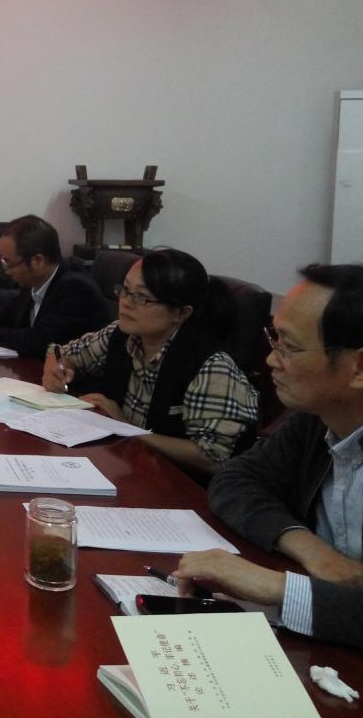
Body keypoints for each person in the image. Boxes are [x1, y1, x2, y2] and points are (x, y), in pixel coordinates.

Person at [172, 264, 363, 650]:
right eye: (273, 338)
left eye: (288, 347)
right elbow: (235, 480)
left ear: (358, 367)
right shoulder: (317, 420)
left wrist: (280, 587)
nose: (272, 360)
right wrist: (311, 550)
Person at [42, 249, 259, 476]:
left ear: (181, 313)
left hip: (176, 486)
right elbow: (61, 354)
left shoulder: (212, 368)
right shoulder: (122, 334)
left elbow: (212, 457)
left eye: (141, 298)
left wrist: (124, 427)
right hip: (124, 467)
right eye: (125, 290)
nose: (125, 302)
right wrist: (56, 370)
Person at [0, 214, 107, 360]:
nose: (6, 271)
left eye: (9, 263)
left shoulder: (75, 289)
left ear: (37, 261)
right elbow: (9, 313)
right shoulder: (36, 280)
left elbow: (40, 342)